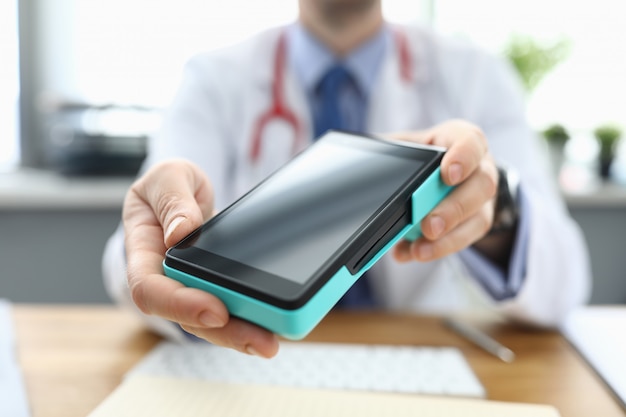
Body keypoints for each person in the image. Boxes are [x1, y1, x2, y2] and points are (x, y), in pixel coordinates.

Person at [102, 0, 591, 358]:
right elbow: (138, 251)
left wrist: (493, 203)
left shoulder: (477, 74)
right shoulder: (213, 78)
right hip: (244, 361)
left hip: (417, 356)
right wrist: (157, 227)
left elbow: (566, 282)